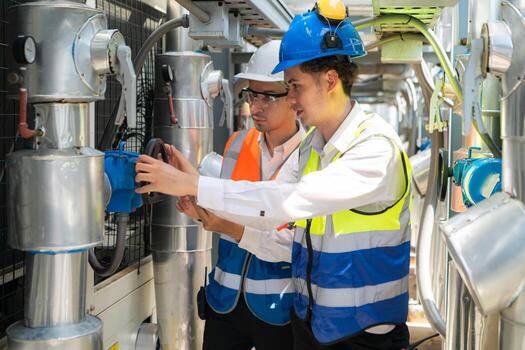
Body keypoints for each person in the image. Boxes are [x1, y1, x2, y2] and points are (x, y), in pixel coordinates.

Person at [137, 1, 411, 349]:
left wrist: (192, 184)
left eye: (295, 86)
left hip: (362, 337)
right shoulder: (314, 146)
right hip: (312, 327)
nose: (291, 99)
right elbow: (267, 211)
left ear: (329, 80)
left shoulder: (375, 149)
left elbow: (285, 202)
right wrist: (200, 190)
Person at [175, 40, 303, 350]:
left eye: (267, 97)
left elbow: (299, 244)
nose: (254, 107)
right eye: (251, 95)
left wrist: (223, 224)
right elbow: (225, 202)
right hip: (224, 304)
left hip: (278, 309)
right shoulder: (236, 144)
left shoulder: (312, 157)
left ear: (293, 97)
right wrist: (199, 202)